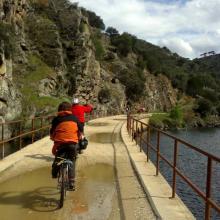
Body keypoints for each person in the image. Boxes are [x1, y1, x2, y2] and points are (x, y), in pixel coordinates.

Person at [50, 101, 83, 190]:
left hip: (60, 143)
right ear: (70, 109)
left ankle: (54, 173)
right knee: (72, 160)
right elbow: (81, 129)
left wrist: (53, 138)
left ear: (59, 109)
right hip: (73, 144)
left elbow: (52, 132)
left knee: (58, 158)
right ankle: (71, 183)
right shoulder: (75, 118)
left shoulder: (56, 119)